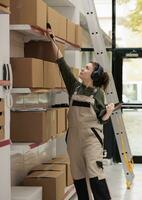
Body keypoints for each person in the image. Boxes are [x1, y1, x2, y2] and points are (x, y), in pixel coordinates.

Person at [47, 28, 113, 200]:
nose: (82, 69)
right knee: (78, 177)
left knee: (95, 174)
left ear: (94, 75)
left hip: (91, 140)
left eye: (86, 68)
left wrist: (109, 112)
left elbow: (102, 119)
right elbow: (62, 64)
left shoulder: (98, 93)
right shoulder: (75, 87)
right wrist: (51, 39)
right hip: (74, 140)